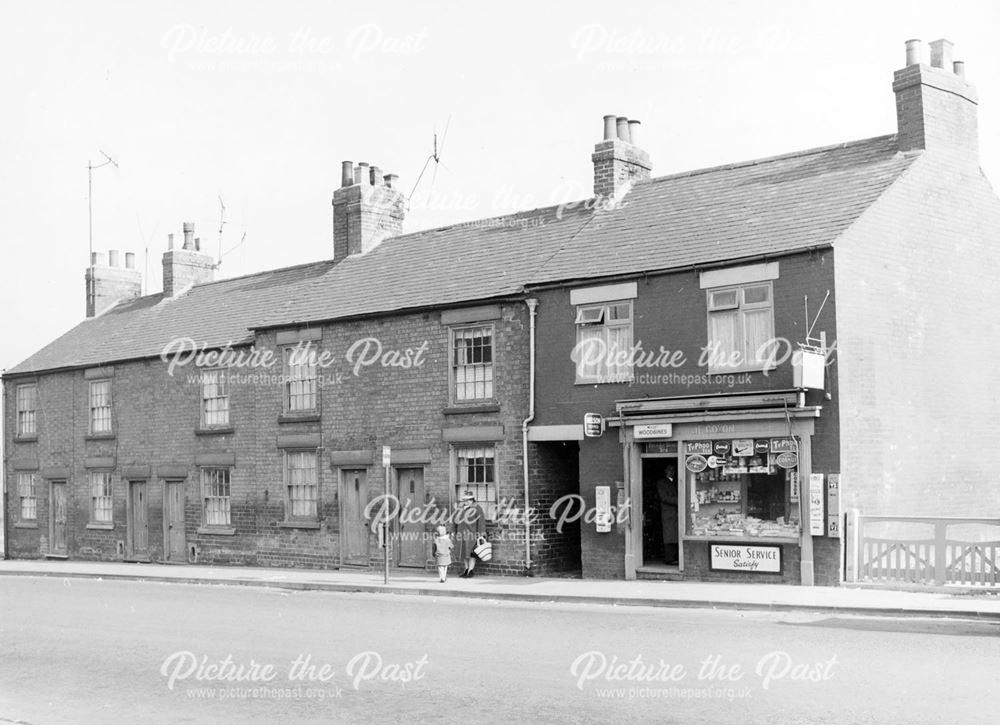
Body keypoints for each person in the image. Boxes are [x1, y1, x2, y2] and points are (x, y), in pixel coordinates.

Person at [454, 489, 486, 578]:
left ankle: (470, 570)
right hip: (461, 533)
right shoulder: (460, 508)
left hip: (472, 534)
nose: (466, 502)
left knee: (472, 553)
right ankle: (466, 569)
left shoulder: (477, 508)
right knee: (464, 552)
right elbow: (455, 520)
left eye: (468, 500)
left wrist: (481, 534)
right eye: (465, 500)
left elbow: (481, 522)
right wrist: (453, 531)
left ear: (472, 500)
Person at [655, 464, 679, 565]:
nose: (671, 472)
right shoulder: (661, 483)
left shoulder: (678, 480)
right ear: (665, 471)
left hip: (677, 513)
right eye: (669, 470)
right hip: (668, 513)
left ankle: (676, 557)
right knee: (670, 536)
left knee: (677, 535)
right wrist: (679, 500)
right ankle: (669, 559)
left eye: (673, 470)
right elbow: (663, 497)